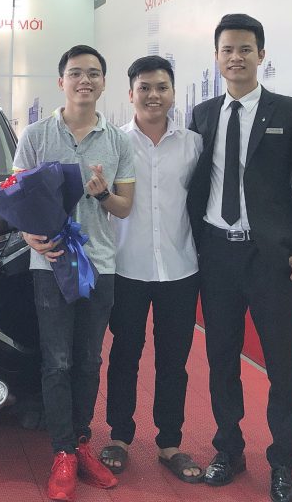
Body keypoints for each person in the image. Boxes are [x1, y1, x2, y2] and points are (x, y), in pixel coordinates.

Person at [187, 14, 292, 502]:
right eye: (227, 49)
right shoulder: (202, 114)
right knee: (221, 358)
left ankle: (283, 463)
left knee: (282, 366)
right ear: (216, 56)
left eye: (245, 49)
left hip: (271, 258)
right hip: (217, 254)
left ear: (261, 55)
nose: (236, 57)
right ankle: (228, 449)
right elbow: (194, 183)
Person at [17, 44, 135, 502]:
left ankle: (82, 441)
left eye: (93, 73)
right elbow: (17, 197)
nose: (85, 80)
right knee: (57, 361)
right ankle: (62, 451)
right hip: (50, 264)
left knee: (88, 360)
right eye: (76, 73)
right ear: (61, 81)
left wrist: (103, 194)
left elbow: (124, 208)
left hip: (100, 265)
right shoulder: (36, 135)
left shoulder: (117, 141)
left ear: (104, 83)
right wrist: (29, 236)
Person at [100, 55, 204, 483]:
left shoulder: (193, 145)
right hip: (127, 266)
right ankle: (119, 437)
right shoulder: (115, 143)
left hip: (180, 268)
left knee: (174, 361)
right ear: (131, 94)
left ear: (173, 93)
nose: (153, 95)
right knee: (124, 355)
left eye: (162, 87)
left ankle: (170, 442)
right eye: (144, 87)